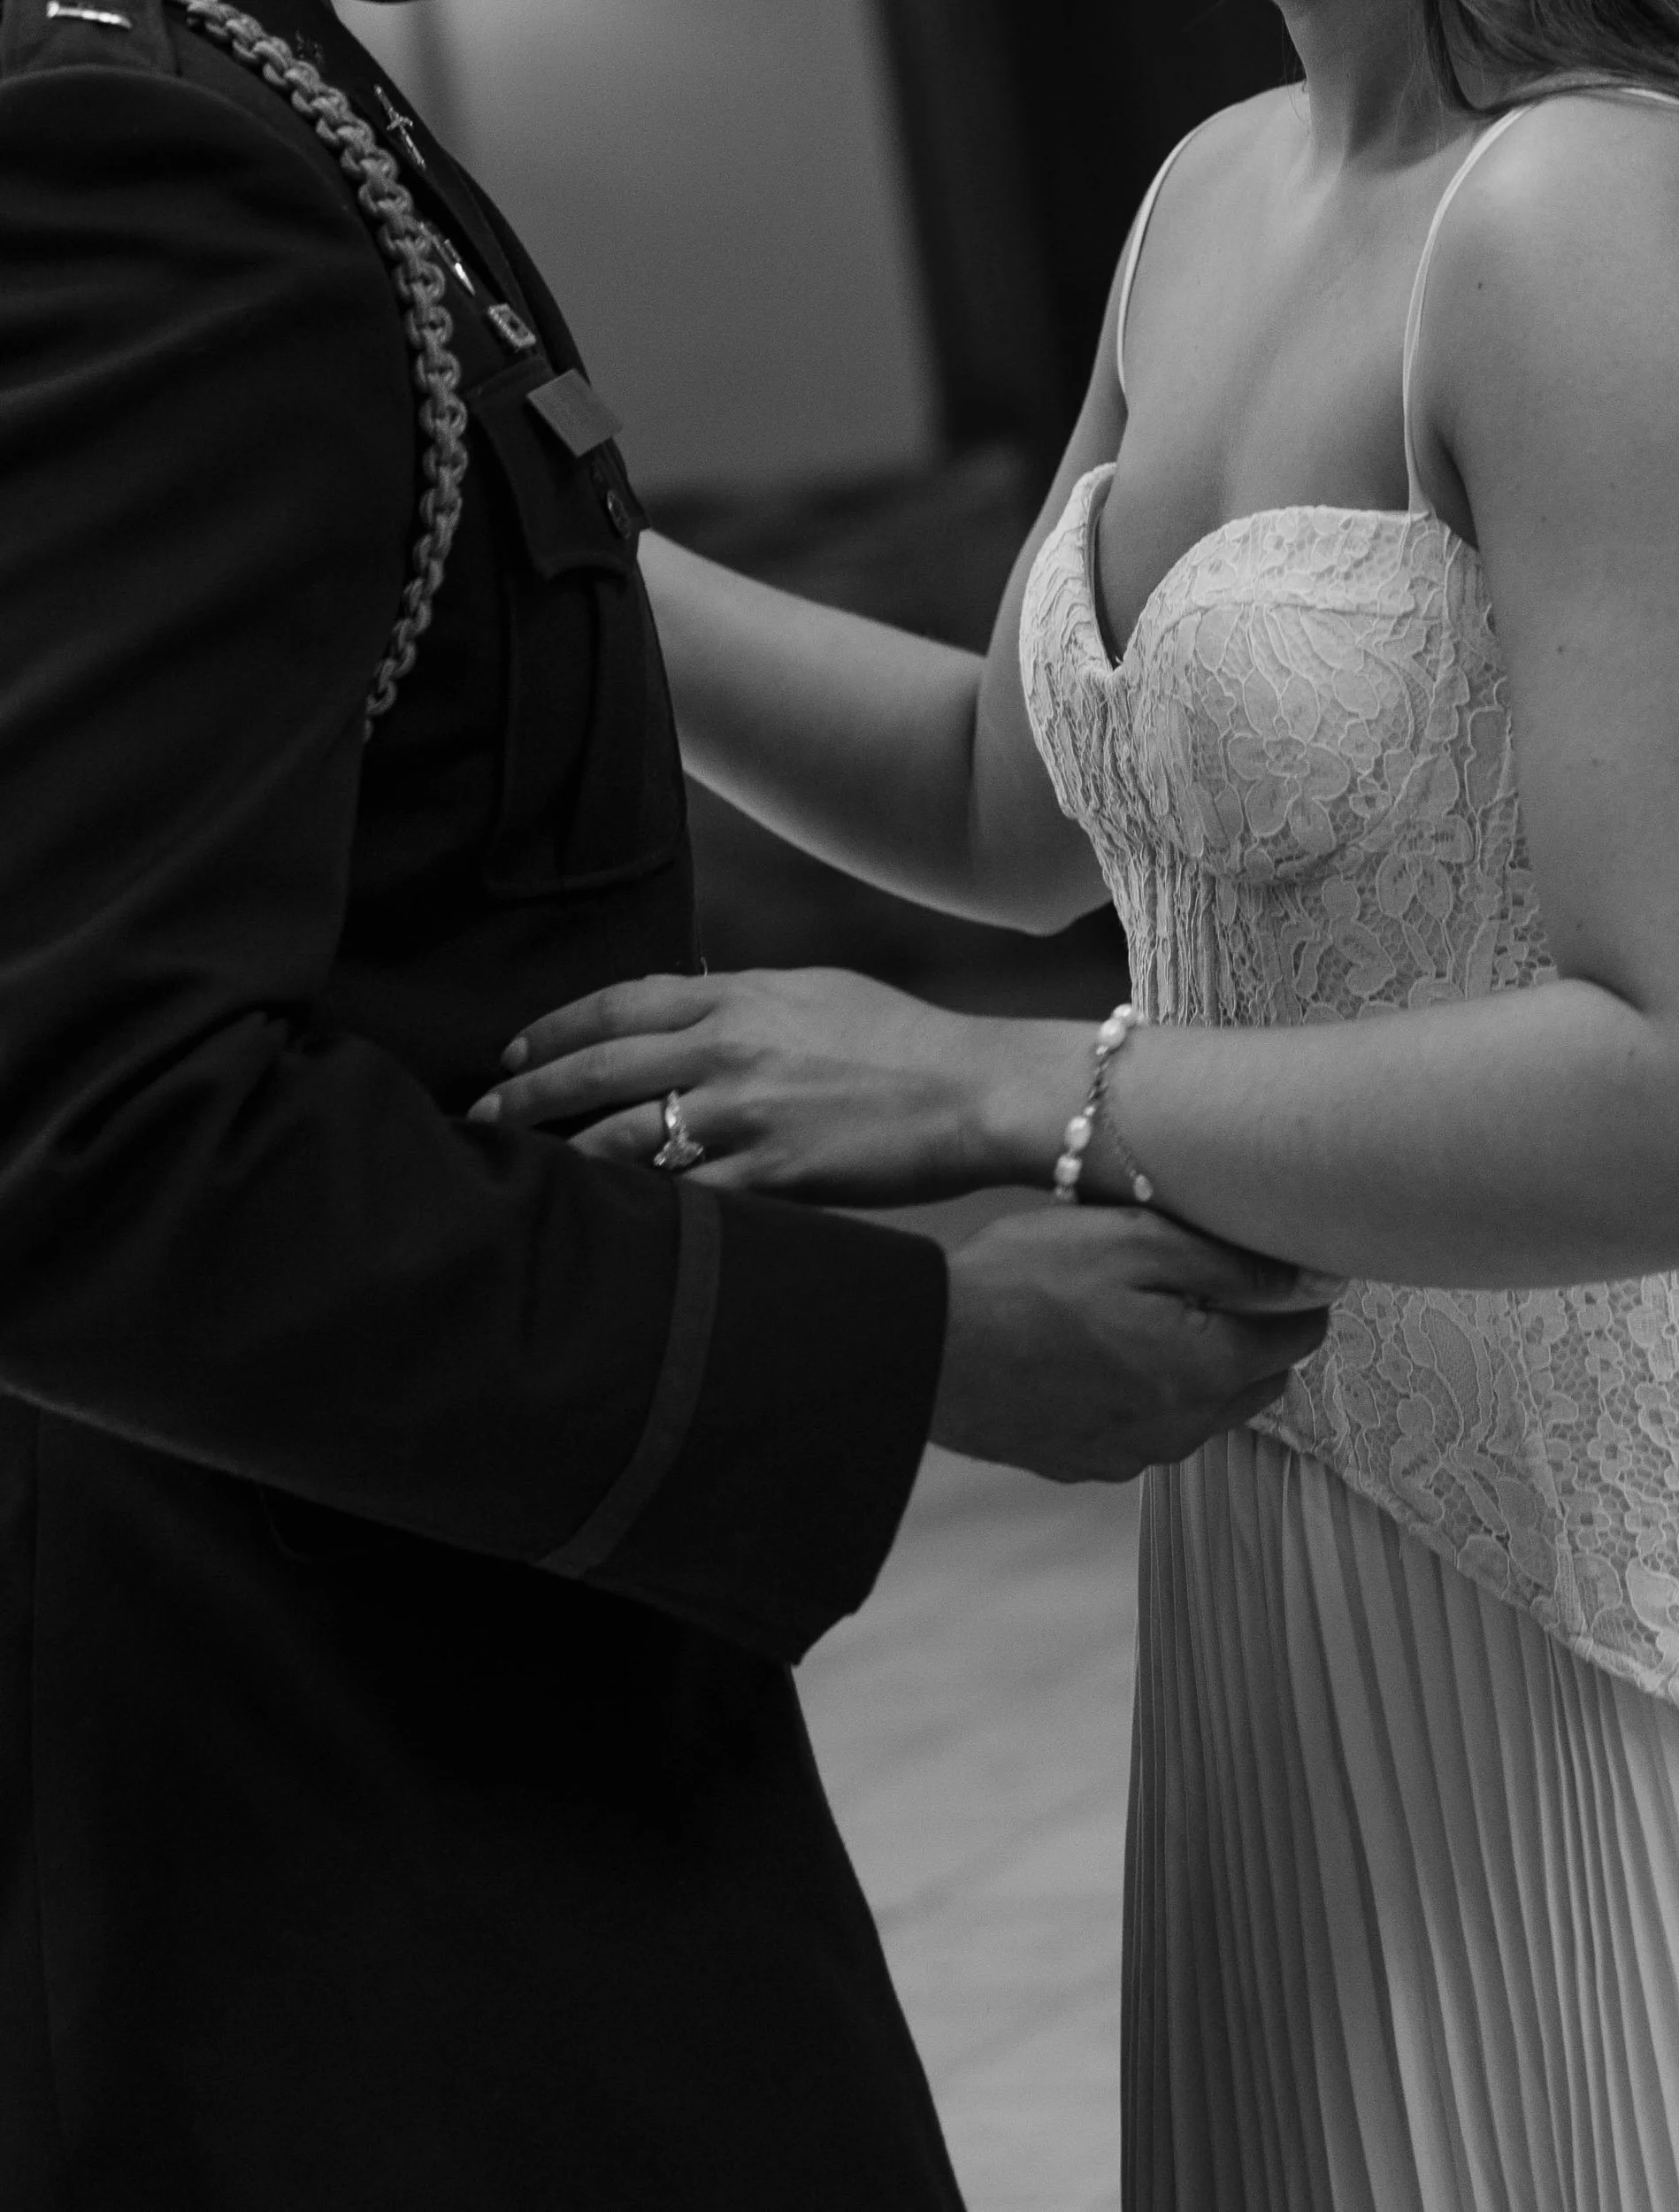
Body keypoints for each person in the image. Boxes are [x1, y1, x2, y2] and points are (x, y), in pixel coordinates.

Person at [0, 0, 1338, 2203]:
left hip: (436, 1621)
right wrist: (913, 1331)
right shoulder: (131, 141)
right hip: (299, 1717)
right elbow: (81, 1134)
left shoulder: (229, 89)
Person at [474, 0, 1679, 2202]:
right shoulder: (1208, 187)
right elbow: (1015, 794)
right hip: (1277, 1533)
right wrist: (552, 543)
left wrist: (1003, 1078)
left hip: (1607, 1580)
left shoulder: (1596, 202)